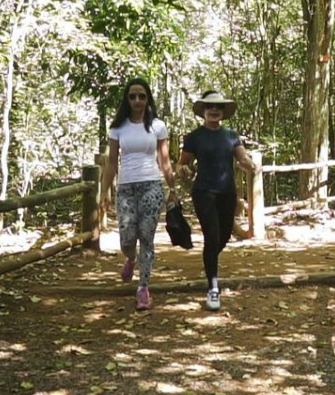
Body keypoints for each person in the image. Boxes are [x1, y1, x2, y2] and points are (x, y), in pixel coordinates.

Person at [177, 90, 259, 310]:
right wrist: (184, 168)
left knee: (222, 237)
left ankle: (210, 260)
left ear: (223, 112)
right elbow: (182, 163)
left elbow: (242, 157)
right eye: (210, 107)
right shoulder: (194, 137)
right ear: (203, 111)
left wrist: (249, 164)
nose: (214, 110)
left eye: (218, 108)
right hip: (204, 192)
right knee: (211, 235)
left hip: (227, 192)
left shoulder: (231, 135)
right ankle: (213, 288)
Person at [101, 78, 177, 310]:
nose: (137, 100)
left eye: (141, 96)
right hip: (126, 187)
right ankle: (130, 258)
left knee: (146, 236)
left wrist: (172, 189)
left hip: (151, 185)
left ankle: (143, 287)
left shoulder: (157, 126)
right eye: (132, 96)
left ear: (148, 99)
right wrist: (104, 192)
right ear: (127, 99)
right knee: (126, 237)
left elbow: (164, 160)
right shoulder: (118, 128)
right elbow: (111, 162)